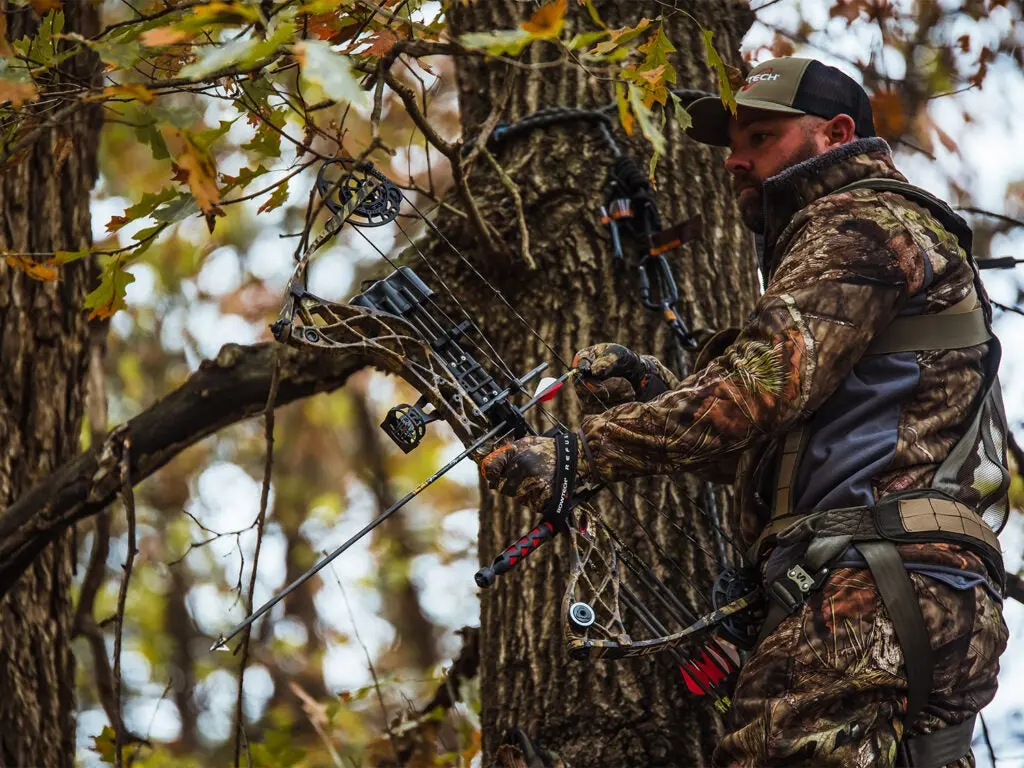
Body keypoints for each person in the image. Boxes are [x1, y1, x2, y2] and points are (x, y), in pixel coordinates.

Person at [481, 56, 1010, 767]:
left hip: (867, 586)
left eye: (760, 137)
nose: (735, 160)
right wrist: (655, 396)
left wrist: (579, 454)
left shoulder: (857, 223)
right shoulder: (864, 236)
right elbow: (782, 429)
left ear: (836, 134)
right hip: (920, 589)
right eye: (733, 144)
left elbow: (754, 390)